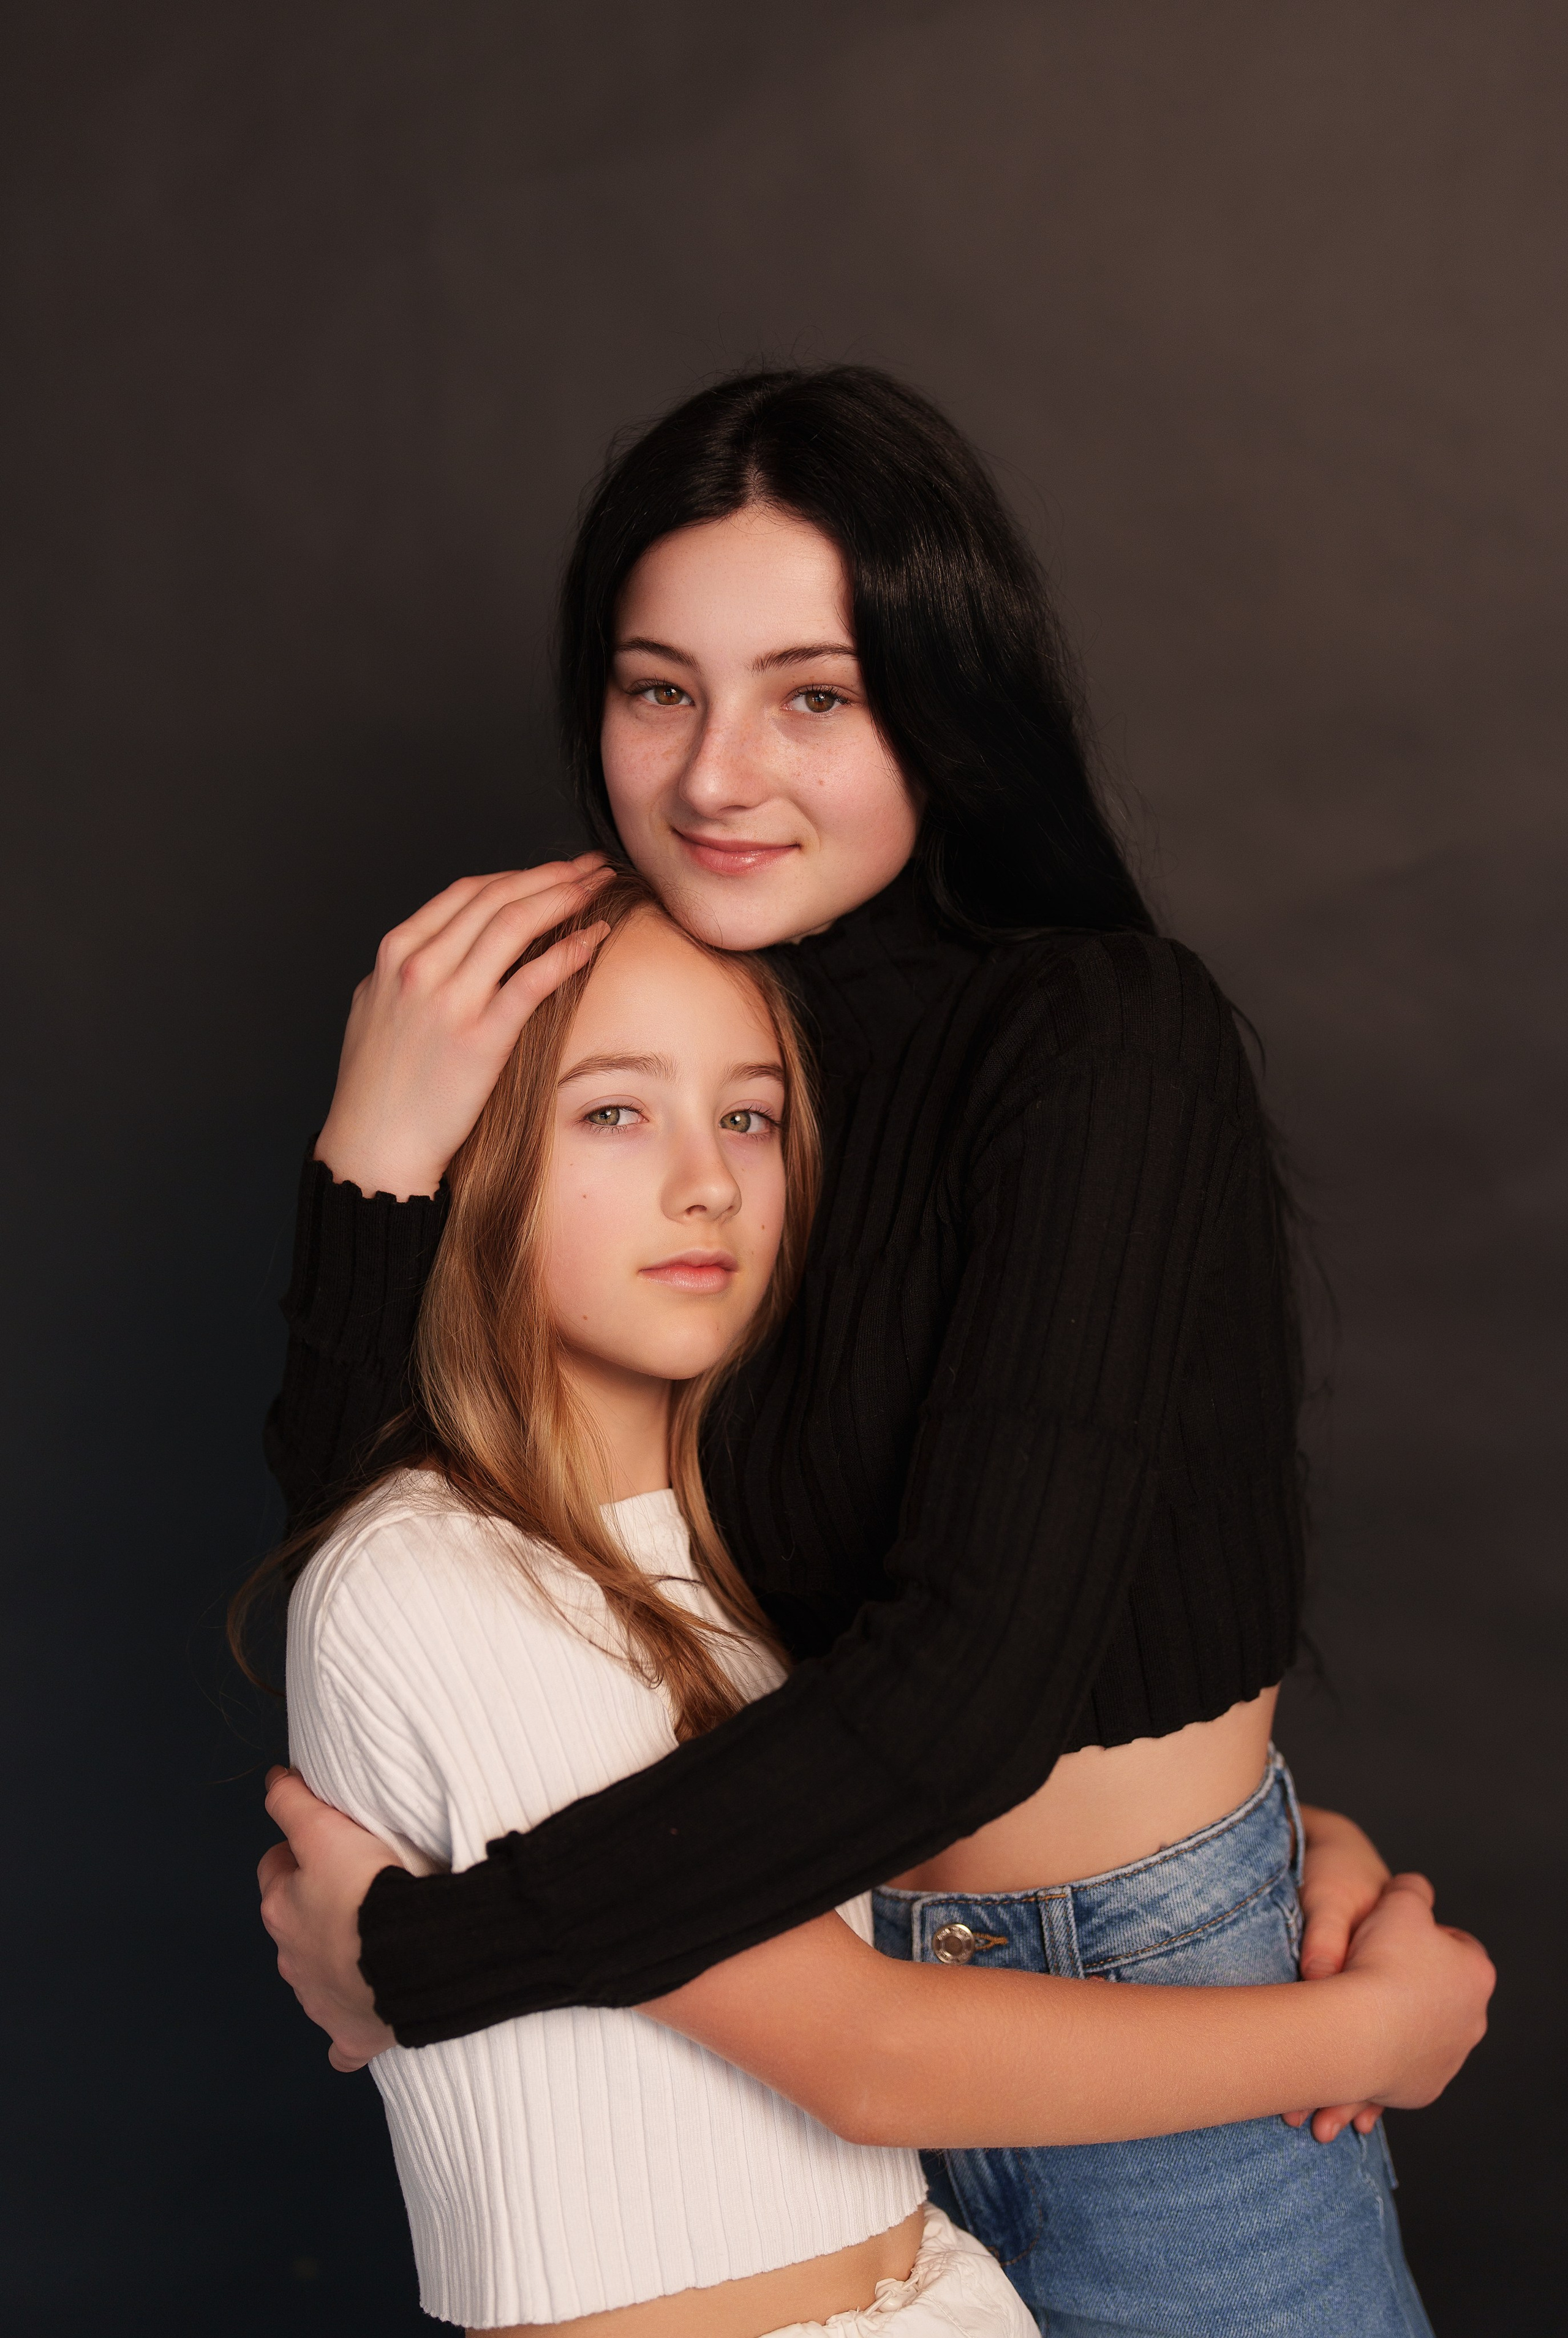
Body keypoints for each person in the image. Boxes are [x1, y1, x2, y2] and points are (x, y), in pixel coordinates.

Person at [255, 368, 1489, 2331]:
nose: (720, 773)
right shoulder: (703, 1064)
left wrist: (436, 1951)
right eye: (661, 688)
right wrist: (376, 1152)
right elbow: (415, 1535)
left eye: (812, 693)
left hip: (1126, 2013)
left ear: (944, 699)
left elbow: (977, 1681)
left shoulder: (1101, 1035)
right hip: (807, 2003)